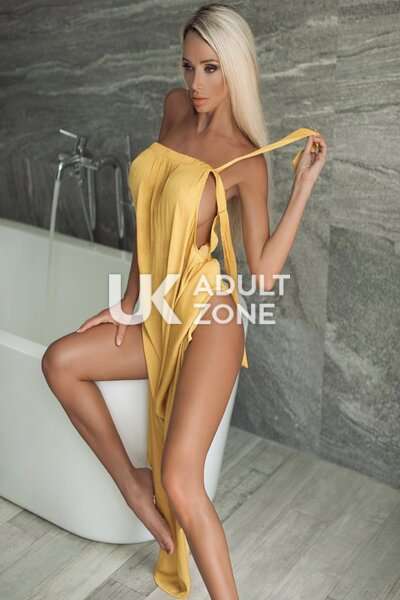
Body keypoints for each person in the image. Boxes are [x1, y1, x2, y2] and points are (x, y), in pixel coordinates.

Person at [41, 3, 327, 599]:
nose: (196, 83)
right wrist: (129, 301)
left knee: (182, 479)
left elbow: (263, 274)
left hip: (209, 317)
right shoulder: (174, 108)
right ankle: (133, 486)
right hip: (157, 310)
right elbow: (149, 218)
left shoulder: (247, 159)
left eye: (211, 68)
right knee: (60, 362)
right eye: (188, 66)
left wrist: (303, 186)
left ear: (236, 69)